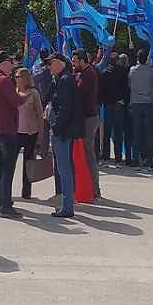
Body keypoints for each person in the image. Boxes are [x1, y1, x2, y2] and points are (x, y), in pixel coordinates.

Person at [0, 50, 26, 217]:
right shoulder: (3, 81)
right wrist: (23, 95)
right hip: (6, 129)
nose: (13, 67)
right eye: (10, 63)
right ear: (4, 63)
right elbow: (16, 101)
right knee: (7, 169)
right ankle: (5, 205)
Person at [44, 53, 81, 218]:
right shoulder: (62, 79)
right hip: (63, 129)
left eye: (50, 63)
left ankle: (67, 207)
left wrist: (56, 126)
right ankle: (67, 204)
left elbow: (65, 108)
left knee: (64, 169)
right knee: (64, 168)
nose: (48, 67)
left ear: (59, 63)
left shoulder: (65, 80)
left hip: (62, 131)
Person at [73, 50, 101, 198]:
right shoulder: (83, 73)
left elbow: (79, 92)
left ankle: (95, 189)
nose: (74, 64)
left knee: (88, 153)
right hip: (86, 117)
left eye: (76, 61)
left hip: (89, 118)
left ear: (83, 61)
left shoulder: (88, 74)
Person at [15, 67, 45, 200]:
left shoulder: (33, 94)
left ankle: (26, 192)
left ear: (25, 78)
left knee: (28, 163)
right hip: (16, 132)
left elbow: (39, 114)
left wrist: (40, 134)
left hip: (30, 132)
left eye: (18, 76)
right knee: (11, 161)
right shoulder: (14, 92)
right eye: (15, 77)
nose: (16, 79)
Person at [128, 50, 153, 170]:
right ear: (146, 59)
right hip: (148, 104)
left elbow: (129, 85)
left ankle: (136, 159)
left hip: (136, 103)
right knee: (149, 133)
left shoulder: (132, 70)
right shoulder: (151, 72)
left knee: (136, 133)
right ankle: (150, 160)